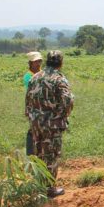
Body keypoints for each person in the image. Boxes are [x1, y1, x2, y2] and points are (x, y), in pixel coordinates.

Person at [26, 50, 74, 197]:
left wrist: (32, 118)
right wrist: (61, 116)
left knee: (39, 152)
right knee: (51, 155)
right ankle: (49, 188)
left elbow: (27, 100)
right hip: (52, 125)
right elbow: (67, 101)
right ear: (60, 63)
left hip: (36, 123)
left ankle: (39, 185)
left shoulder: (35, 77)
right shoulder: (59, 79)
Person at [23, 51, 42, 156]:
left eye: (39, 61)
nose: (38, 64)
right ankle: (31, 155)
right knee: (33, 131)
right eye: (36, 61)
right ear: (30, 63)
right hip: (34, 107)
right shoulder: (28, 76)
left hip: (43, 107)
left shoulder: (41, 73)